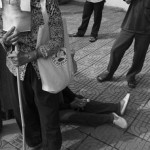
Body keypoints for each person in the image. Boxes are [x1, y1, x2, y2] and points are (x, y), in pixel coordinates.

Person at [0, 0, 64, 150]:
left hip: (42, 68)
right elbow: (1, 36)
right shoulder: (4, 3)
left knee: (48, 115)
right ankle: (35, 144)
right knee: (24, 114)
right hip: (15, 68)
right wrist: (5, 41)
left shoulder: (47, 2)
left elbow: (58, 39)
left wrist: (30, 55)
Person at [96, 0, 150, 88]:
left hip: (146, 28)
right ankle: (109, 73)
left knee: (139, 55)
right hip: (129, 24)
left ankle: (131, 75)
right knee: (116, 49)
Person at [60, 87, 129, 129]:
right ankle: (111, 118)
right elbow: (50, 109)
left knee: (81, 100)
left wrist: (74, 98)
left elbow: (62, 86)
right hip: (52, 111)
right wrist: (69, 106)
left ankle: (117, 107)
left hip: (59, 101)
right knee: (71, 116)